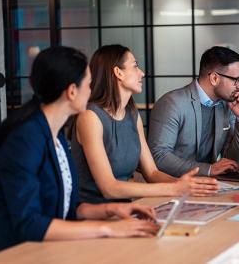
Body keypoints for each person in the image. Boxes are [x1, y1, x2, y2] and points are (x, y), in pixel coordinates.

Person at [0, 46, 159, 254]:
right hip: (17, 253)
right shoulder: (25, 139)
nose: (91, 90)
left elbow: (68, 209)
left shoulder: (56, 135)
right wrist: (108, 228)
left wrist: (113, 209)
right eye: (88, 84)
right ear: (71, 91)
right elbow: (30, 223)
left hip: (52, 248)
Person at [72, 45, 218, 204]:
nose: (142, 73)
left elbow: (152, 173)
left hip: (127, 208)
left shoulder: (133, 115)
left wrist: (188, 185)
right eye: (135, 66)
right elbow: (109, 188)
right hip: (93, 214)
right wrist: (173, 189)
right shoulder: (90, 117)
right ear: (118, 72)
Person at [148, 46, 239, 177]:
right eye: (235, 80)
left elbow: (232, 161)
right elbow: (159, 156)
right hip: (174, 185)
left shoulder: (227, 105)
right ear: (214, 78)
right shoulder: (172, 103)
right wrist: (208, 169)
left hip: (210, 185)